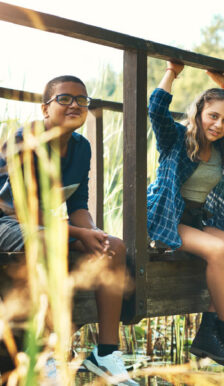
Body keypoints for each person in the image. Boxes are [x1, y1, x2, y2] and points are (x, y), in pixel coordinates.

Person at [0, 75, 138, 385]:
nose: (75, 104)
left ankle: (106, 353)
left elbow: (78, 203)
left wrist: (94, 233)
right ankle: (48, 354)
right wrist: (77, 234)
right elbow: (22, 209)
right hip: (6, 222)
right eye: (65, 98)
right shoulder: (27, 140)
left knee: (114, 246)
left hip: (40, 226)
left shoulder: (81, 147)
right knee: (49, 242)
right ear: (45, 109)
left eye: (82, 99)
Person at [147, 61, 224, 375]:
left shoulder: (223, 148)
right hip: (166, 218)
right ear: (199, 112)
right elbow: (156, 107)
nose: (218, 125)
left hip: (198, 222)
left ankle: (209, 331)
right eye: (213, 116)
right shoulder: (175, 137)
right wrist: (172, 71)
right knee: (218, 251)